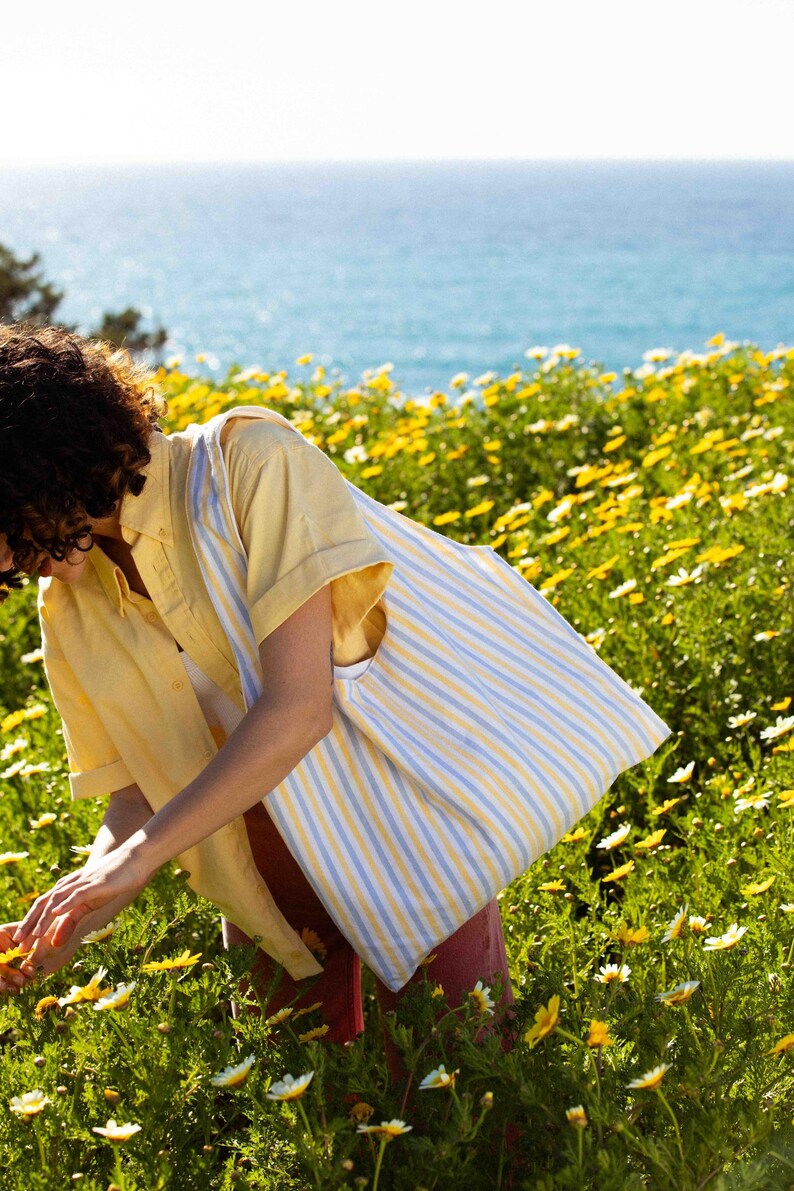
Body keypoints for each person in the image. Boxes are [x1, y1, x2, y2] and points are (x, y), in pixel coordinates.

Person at [0, 324, 518, 1074]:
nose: (14, 561)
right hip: (265, 906)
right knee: (316, 1146)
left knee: (472, 1115)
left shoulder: (249, 464)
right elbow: (136, 799)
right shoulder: (68, 606)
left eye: (11, 526)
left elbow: (299, 707)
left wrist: (138, 860)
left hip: (403, 853)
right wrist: (66, 922)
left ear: (43, 462)